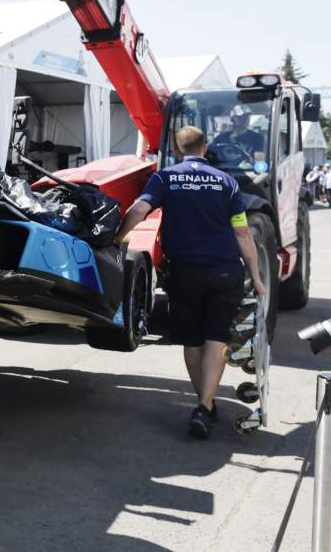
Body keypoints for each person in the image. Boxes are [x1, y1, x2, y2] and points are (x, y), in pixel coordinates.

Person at [114, 126, 265, 439]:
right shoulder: (227, 182)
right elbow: (242, 233)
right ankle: (204, 405)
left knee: (191, 340)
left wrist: (117, 238)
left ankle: (205, 405)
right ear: (205, 147)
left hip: (184, 272)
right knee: (217, 339)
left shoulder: (165, 177)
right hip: (225, 271)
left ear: (176, 148)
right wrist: (257, 277)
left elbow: (140, 210)